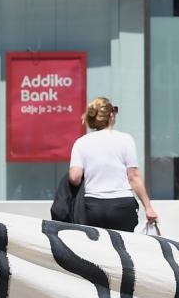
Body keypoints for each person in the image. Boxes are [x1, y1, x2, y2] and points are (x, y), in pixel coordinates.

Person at [68, 96, 158, 233]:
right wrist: (148, 207)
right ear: (111, 116)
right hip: (122, 205)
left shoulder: (81, 143)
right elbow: (133, 177)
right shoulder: (125, 139)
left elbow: (75, 177)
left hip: (93, 206)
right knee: (124, 248)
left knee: (96, 250)